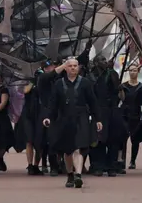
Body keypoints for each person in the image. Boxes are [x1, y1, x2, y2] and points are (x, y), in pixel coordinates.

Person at [42, 58, 101, 189]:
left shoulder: (85, 83)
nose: (73, 68)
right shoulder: (58, 84)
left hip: (81, 118)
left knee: (78, 148)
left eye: (75, 66)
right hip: (64, 119)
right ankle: (70, 174)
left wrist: (98, 119)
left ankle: (78, 175)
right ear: (66, 68)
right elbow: (53, 104)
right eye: (70, 66)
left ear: (78, 68)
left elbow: (93, 102)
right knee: (67, 151)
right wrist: (48, 117)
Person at [89, 55, 125, 177]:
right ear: (95, 62)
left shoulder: (112, 73)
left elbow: (118, 90)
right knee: (99, 139)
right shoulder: (92, 74)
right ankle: (98, 166)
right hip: (98, 110)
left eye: (105, 60)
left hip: (112, 110)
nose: (105, 62)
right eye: (102, 60)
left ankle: (111, 166)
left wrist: (114, 76)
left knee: (113, 139)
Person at [120, 64, 142, 170]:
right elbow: (122, 99)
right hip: (124, 114)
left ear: (138, 71)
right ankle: (122, 160)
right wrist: (120, 90)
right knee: (123, 139)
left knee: (135, 140)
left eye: (134, 70)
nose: (132, 72)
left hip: (136, 114)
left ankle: (133, 161)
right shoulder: (124, 86)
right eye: (130, 70)